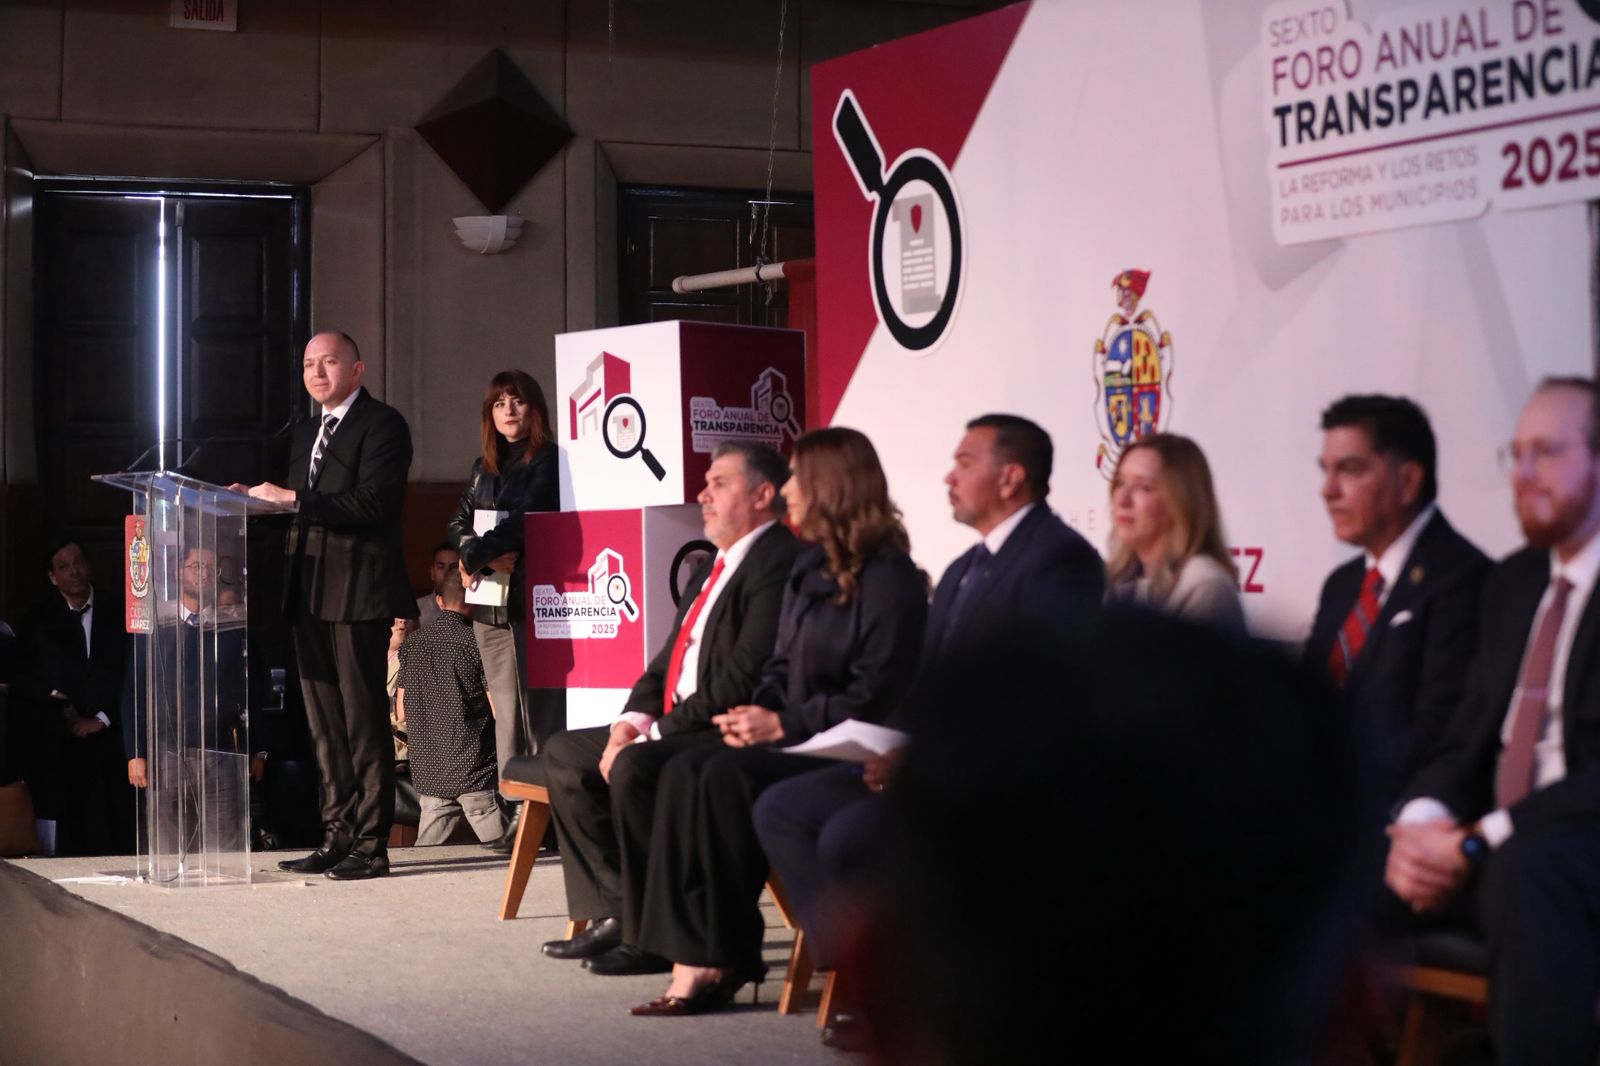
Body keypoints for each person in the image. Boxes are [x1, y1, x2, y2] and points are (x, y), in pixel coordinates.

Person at [752, 412, 1105, 1047]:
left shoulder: (1060, 560)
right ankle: (864, 977)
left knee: (848, 833)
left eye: (965, 463)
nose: (949, 476)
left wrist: (924, 760)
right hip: (925, 764)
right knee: (782, 808)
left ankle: (902, 992)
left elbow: (1039, 697)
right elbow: (931, 687)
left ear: (1010, 478)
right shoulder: (968, 565)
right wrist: (893, 747)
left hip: (997, 781)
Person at [628, 427, 929, 1016]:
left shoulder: (889, 575)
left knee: (719, 777)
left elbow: (874, 690)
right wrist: (757, 713)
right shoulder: (810, 564)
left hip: (850, 745)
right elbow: (781, 664)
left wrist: (783, 723)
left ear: (832, 486)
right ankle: (703, 954)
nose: (788, 490)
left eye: (798, 479)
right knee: (687, 769)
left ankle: (732, 958)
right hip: (797, 734)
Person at [1384, 378, 1600, 1064]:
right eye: (1517, 453)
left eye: (1548, 452)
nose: (1525, 473)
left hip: (1572, 845)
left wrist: (1482, 839)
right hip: (1487, 845)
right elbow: (1466, 739)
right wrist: (1421, 825)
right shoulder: (1514, 582)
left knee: (1525, 871)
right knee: (1333, 858)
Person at [540, 441, 798, 967]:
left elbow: (742, 677)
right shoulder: (712, 566)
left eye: (719, 483)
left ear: (762, 495)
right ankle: (623, 914)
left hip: (727, 726)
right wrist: (628, 723)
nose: (703, 494)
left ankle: (658, 935)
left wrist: (653, 735)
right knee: (565, 754)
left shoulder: (777, 562)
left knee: (635, 766)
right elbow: (667, 661)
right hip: (677, 719)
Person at [234, 330, 415, 881]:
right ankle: (336, 835)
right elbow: (302, 512)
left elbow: (373, 503)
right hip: (308, 590)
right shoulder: (305, 432)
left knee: (362, 722)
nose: (316, 372)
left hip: (358, 591)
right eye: (309, 364)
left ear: (356, 369)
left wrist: (291, 498)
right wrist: (250, 505)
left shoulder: (382, 425)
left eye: (328, 362)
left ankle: (371, 843)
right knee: (324, 726)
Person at [1304, 395, 1489, 814]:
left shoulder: (1463, 578)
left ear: (1407, 481)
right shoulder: (1341, 584)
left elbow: (1438, 733)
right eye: (1325, 470)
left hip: (1392, 816)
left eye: (1350, 469)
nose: (1328, 490)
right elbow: (1306, 703)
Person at [449, 370, 558, 852]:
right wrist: (475, 554)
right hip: (489, 607)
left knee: (539, 715)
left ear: (535, 409)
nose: (509, 411)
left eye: (517, 401)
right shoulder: (483, 468)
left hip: (534, 602)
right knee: (507, 716)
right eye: (499, 404)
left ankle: (546, 815)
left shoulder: (550, 460)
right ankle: (515, 810)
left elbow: (526, 520)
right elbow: (458, 521)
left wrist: (477, 553)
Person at [125, 546, 253, 856]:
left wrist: (257, 748)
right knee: (167, 845)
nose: (205, 574)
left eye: (211, 568)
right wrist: (136, 752)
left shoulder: (231, 625)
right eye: (197, 566)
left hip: (221, 751)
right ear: (177, 572)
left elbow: (250, 689)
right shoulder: (156, 625)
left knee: (225, 849)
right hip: (166, 751)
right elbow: (133, 690)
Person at [14, 540, 131, 856]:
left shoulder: (118, 612)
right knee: (65, 835)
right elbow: (22, 675)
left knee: (113, 833)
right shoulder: (38, 617)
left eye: (78, 562)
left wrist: (102, 719)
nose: (74, 571)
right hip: (58, 741)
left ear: (89, 565)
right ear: (52, 577)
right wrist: (59, 703)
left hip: (112, 741)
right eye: (63, 566)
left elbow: (132, 674)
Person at [395, 569, 503, 846]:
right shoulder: (477, 642)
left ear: (439, 601)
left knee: (427, 857)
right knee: (508, 853)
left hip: (430, 772)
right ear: (475, 602)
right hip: (475, 769)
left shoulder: (412, 644)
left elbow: (402, 712)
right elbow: (498, 710)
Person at [1105, 432, 1244, 630]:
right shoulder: (1117, 582)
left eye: (1144, 487)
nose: (1122, 500)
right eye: (1120, 483)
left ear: (1182, 502)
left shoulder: (1205, 586)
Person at [416, 542, 459, 629]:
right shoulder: (417, 610)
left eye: (453, 567)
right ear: (432, 572)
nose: (447, 572)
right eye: (441, 567)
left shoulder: (473, 610)